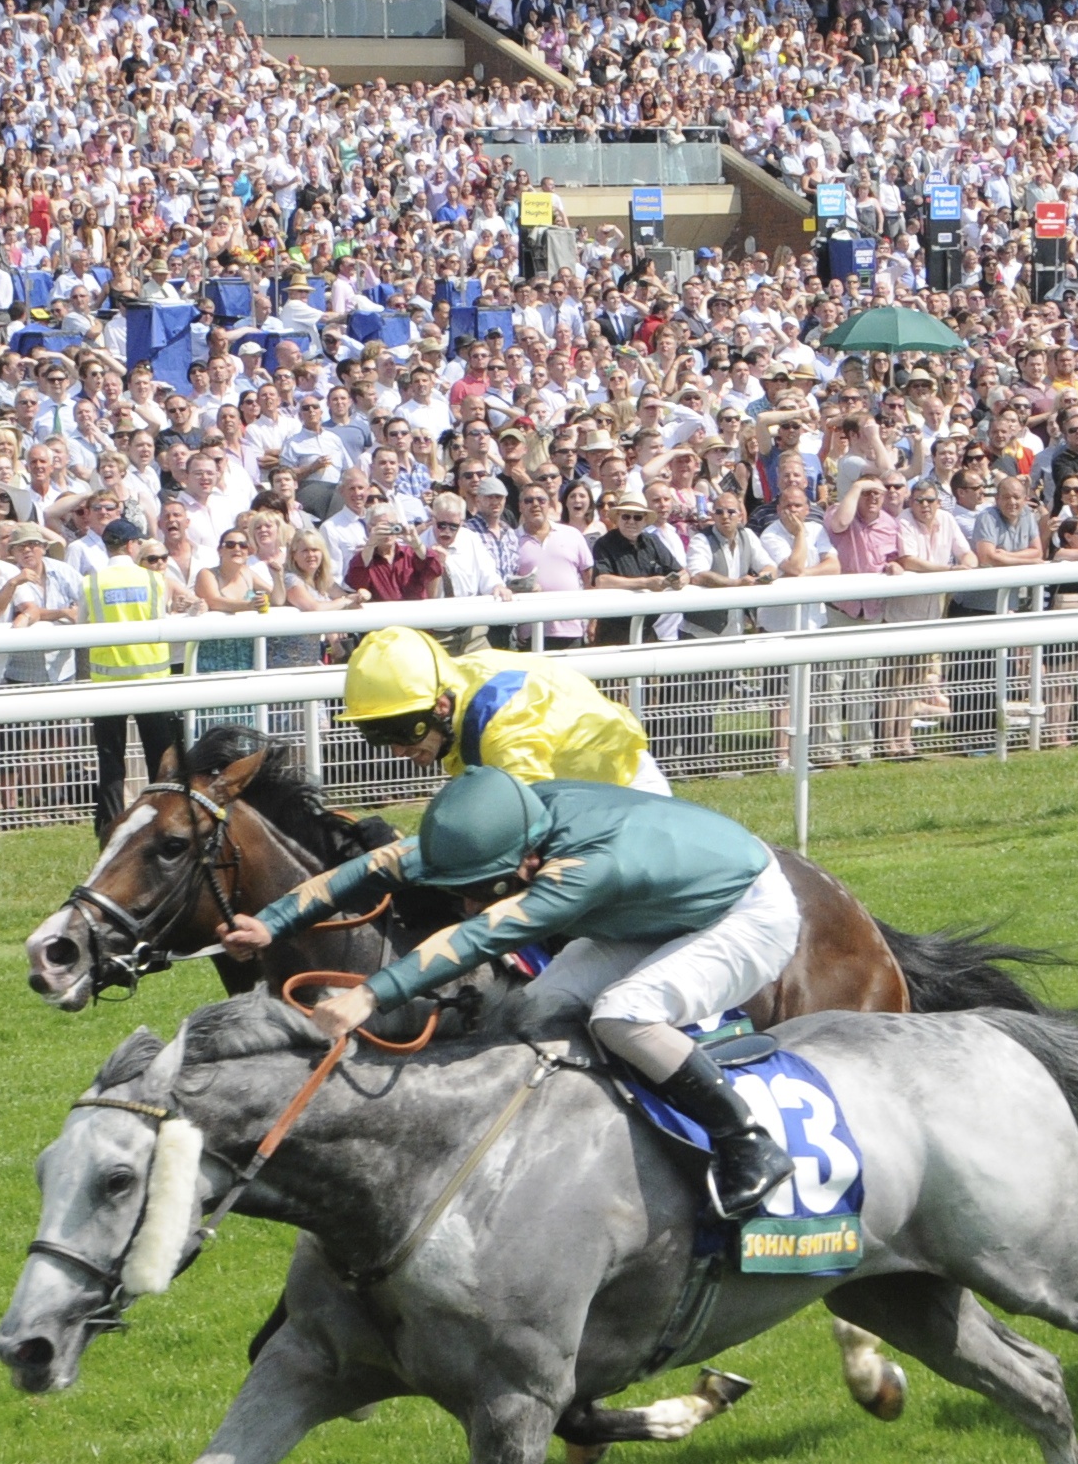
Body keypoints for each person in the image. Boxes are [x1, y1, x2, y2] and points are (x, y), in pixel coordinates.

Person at [223, 767, 799, 1222]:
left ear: (524, 861)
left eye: (479, 888)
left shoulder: (583, 871)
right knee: (533, 1012)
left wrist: (369, 996)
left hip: (744, 913)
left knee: (622, 1014)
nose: (471, 900)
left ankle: (746, 1142)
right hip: (670, 895)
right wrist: (272, 923)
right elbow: (377, 865)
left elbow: (477, 937)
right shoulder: (506, 825)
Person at [334, 623, 667, 794]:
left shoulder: (501, 723)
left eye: (402, 732)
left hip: (626, 794)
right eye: (379, 736)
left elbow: (528, 819)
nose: (396, 750)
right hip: (579, 790)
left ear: (440, 706)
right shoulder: (453, 683)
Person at [77, 523, 181, 835]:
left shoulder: (91, 582)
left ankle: (109, 827)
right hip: (151, 678)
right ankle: (161, 818)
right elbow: (161, 621)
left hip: (108, 683)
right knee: (158, 757)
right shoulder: (153, 579)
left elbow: (81, 626)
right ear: (132, 545)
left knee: (111, 761)